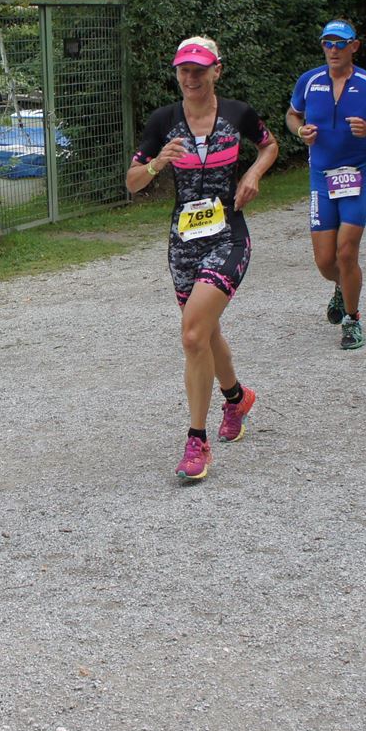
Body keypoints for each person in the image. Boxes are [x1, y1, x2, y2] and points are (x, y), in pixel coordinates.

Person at [128, 36, 280, 481]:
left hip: (228, 236)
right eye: (184, 71)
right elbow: (132, 182)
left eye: (199, 70)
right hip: (183, 243)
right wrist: (157, 163)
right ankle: (236, 399)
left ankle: (197, 442)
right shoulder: (163, 121)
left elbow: (269, 145)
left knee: (193, 334)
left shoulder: (237, 113)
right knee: (205, 331)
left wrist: (253, 174)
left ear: (217, 70)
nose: (191, 78)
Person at [288, 20, 366, 350]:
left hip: (357, 175)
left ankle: (352, 319)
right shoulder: (309, 81)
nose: (333, 50)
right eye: (328, 43)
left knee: (347, 251)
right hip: (321, 177)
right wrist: (300, 131)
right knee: (325, 261)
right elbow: (292, 115)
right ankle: (343, 286)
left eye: (340, 43)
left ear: (354, 46)